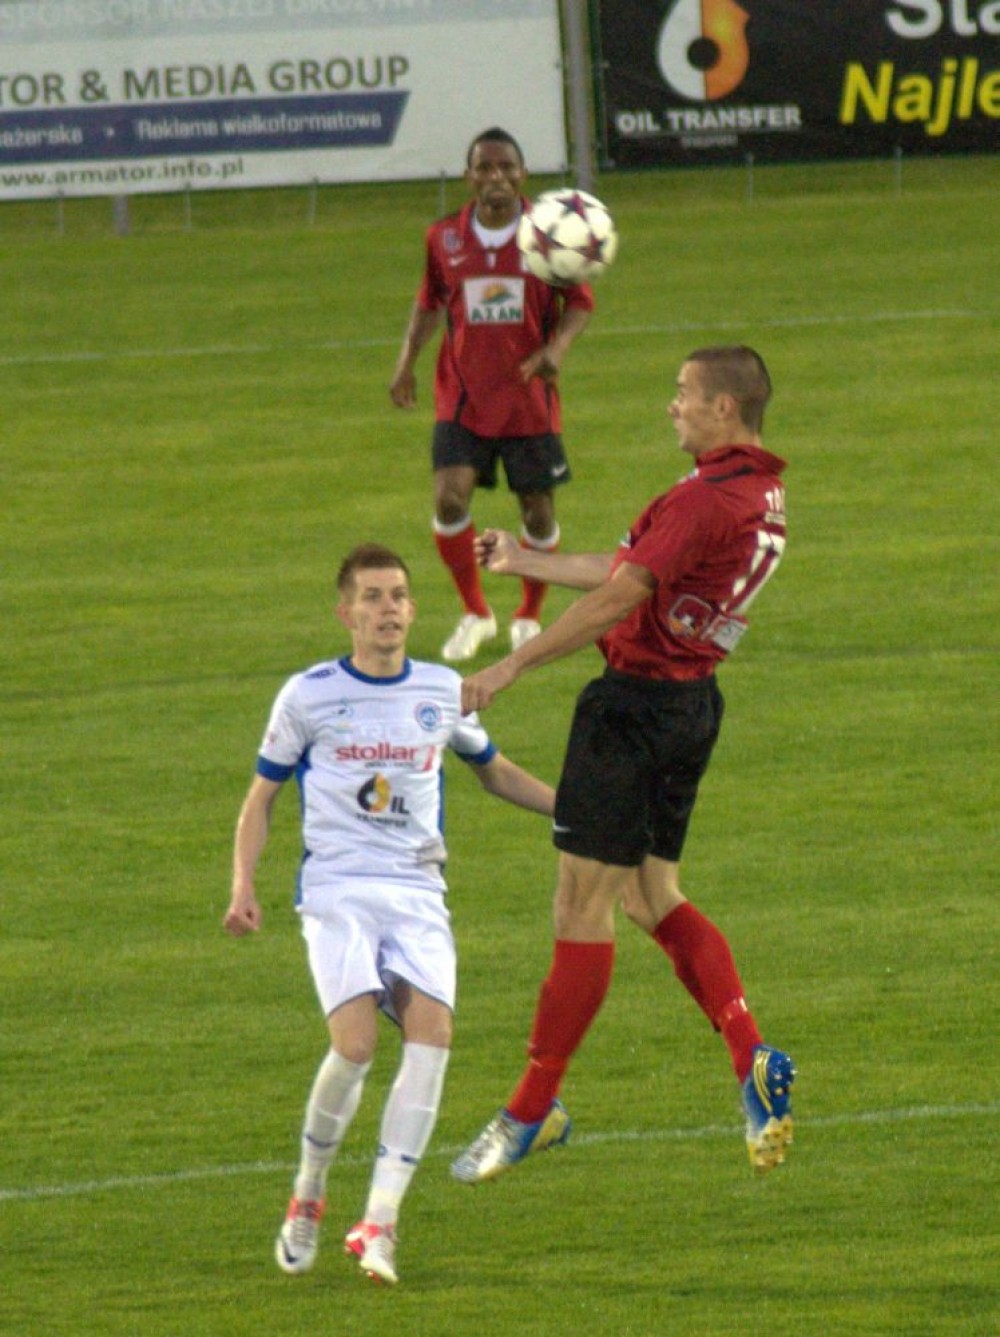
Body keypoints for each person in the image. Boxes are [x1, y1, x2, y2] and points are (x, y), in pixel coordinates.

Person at [449, 345, 797, 1185]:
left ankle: (532, 1108)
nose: (672, 406)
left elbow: (619, 595)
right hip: (692, 707)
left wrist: (508, 667)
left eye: (683, 393)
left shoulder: (703, 499)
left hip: (631, 714)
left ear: (724, 407)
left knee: (582, 905)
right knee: (650, 894)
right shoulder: (759, 494)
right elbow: (632, 572)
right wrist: (526, 560)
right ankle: (751, 1052)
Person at [224, 543, 555, 1285]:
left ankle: (380, 1221)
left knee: (433, 1037)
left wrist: (573, 811)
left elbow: (495, 771)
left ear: (412, 608)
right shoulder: (308, 695)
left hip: (416, 891)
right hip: (338, 889)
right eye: (372, 597)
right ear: (345, 613)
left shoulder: (440, 690)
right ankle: (309, 1191)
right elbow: (261, 797)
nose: (388, 609)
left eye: (399, 595)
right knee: (356, 1045)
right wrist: (243, 883)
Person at [389, 126, 595, 664]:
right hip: (462, 397)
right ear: (469, 176)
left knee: (538, 514)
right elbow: (429, 301)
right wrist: (406, 362)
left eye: (506, 167)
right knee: (449, 498)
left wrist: (556, 349)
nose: (496, 176)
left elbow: (580, 301)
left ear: (522, 174)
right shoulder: (444, 237)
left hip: (529, 400)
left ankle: (528, 615)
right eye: (485, 167)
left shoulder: (548, 234)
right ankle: (476, 612)